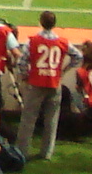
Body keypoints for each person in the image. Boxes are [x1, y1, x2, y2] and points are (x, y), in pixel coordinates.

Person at [14, 11, 71, 160]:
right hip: (54, 83)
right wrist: (63, 70)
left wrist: (25, 76)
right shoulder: (63, 42)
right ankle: (46, 152)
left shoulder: (33, 41)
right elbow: (77, 56)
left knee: (28, 119)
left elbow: (21, 62)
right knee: (51, 120)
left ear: (40, 22)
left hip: (36, 83)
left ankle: (22, 151)